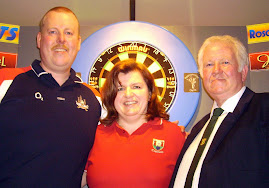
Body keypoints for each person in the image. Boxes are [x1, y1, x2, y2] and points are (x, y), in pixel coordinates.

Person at [0, 7, 101, 187]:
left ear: (78, 43)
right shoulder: (5, 82)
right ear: (39, 39)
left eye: (68, 33)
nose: (61, 39)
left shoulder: (95, 99)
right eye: (53, 32)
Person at [169, 35, 269, 188]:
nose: (216, 70)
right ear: (202, 76)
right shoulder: (199, 129)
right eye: (209, 64)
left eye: (225, 62)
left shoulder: (263, 108)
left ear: (243, 71)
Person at [81, 59, 186, 188]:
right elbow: (71, 179)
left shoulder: (174, 135)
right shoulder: (94, 135)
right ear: (111, 96)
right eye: (120, 88)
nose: (128, 94)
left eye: (136, 87)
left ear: (150, 94)